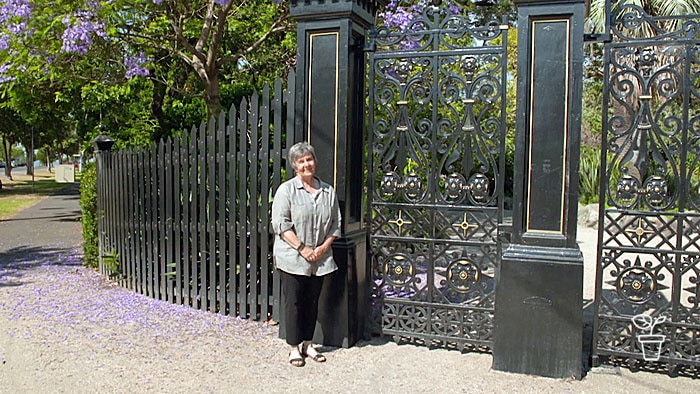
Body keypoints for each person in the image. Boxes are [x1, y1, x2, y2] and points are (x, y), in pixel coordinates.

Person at [271, 141, 342, 367]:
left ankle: (308, 344)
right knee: (294, 302)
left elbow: (335, 225)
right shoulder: (287, 190)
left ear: (315, 161)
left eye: (309, 159)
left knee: (312, 301)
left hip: (320, 258)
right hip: (293, 257)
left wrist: (322, 248)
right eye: (301, 161)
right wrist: (303, 248)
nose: (306, 165)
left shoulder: (327, 191)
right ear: (294, 165)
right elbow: (281, 225)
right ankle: (293, 347)